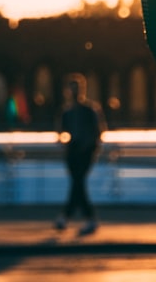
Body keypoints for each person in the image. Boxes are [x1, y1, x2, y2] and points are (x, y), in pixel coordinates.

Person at [55, 73, 106, 235]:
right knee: (78, 183)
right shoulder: (85, 110)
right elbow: (99, 131)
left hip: (80, 150)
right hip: (79, 150)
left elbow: (61, 131)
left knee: (77, 183)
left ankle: (68, 216)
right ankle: (85, 218)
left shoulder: (71, 111)